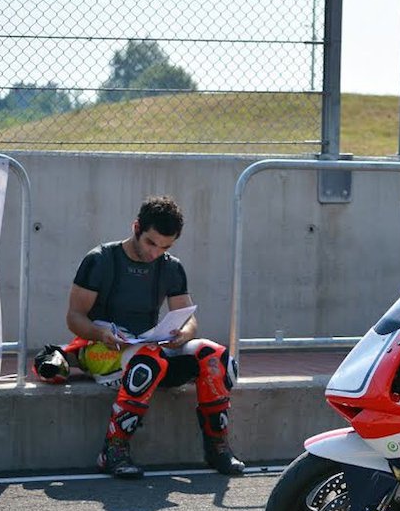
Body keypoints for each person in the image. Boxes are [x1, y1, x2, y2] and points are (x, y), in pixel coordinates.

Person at [34, 195, 244, 479]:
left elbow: (188, 317)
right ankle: (113, 451)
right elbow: (74, 317)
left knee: (215, 355)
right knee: (148, 361)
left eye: (165, 247)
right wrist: (101, 332)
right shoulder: (99, 260)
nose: (156, 252)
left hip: (148, 349)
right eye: (151, 243)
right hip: (99, 349)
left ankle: (217, 448)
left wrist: (183, 333)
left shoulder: (172, 266)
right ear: (136, 227)